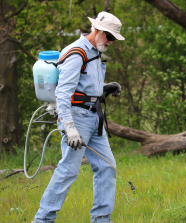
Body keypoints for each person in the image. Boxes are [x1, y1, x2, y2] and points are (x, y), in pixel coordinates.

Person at [32, 11, 124, 223]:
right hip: (77, 117)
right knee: (68, 171)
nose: (110, 42)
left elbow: (85, 87)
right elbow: (63, 94)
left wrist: (106, 87)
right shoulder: (76, 53)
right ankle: (42, 220)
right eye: (108, 36)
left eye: (113, 39)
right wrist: (69, 126)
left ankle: (101, 219)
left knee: (107, 167)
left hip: (94, 117)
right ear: (97, 30)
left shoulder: (95, 52)